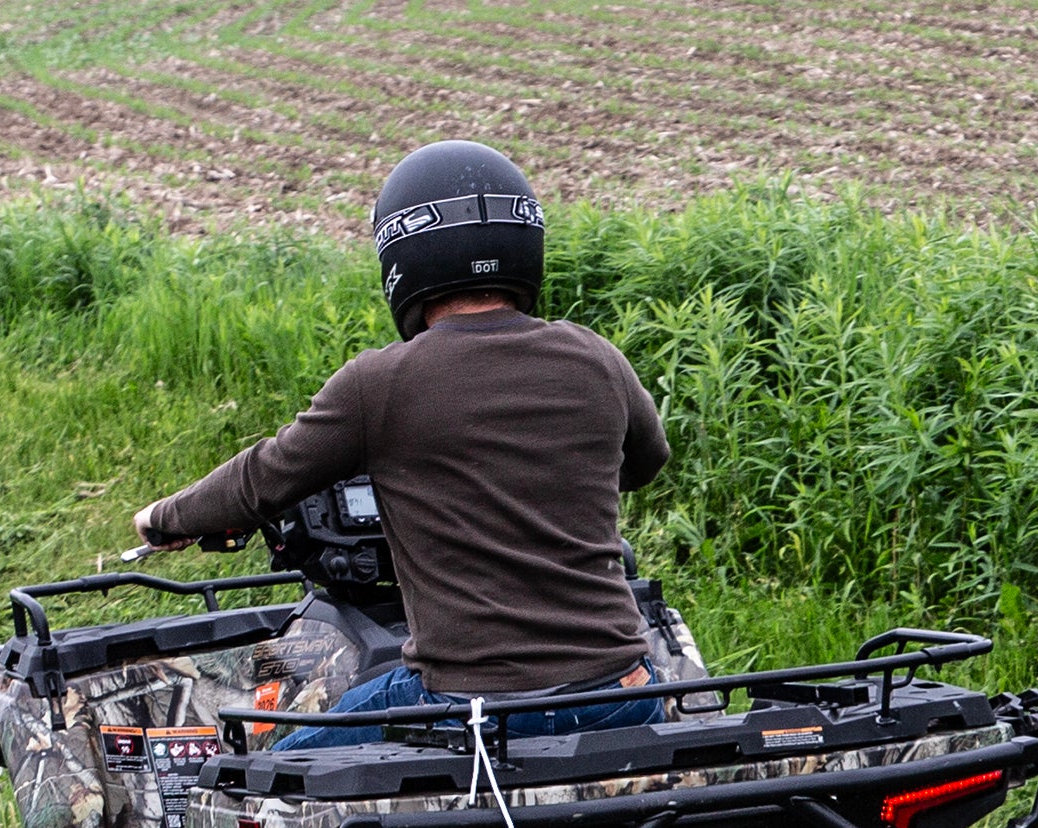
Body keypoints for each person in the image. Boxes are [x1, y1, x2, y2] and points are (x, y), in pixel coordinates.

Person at [133, 141, 672, 737]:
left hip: (474, 703)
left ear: (403, 255)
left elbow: (260, 479)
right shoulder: (596, 358)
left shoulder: (380, 384)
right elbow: (647, 462)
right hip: (624, 689)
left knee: (268, 779)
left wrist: (165, 517)